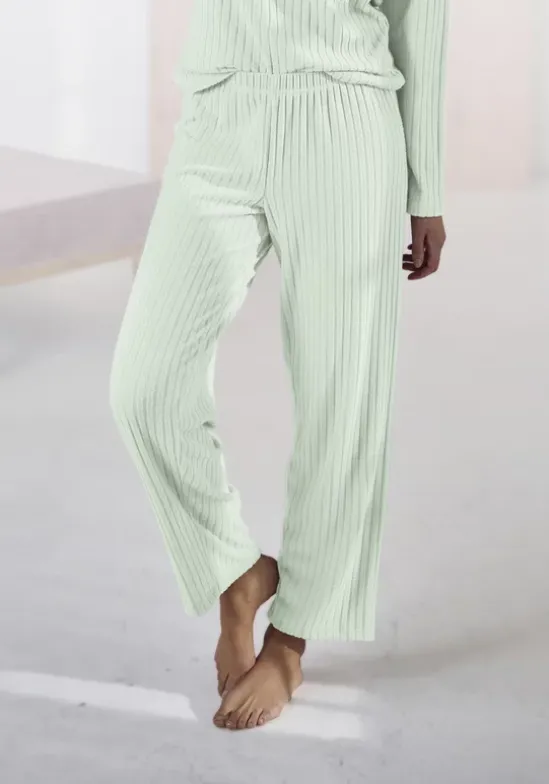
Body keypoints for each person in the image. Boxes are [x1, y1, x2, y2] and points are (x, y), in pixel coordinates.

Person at [110, 0, 448, 731]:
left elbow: (419, 20)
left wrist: (427, 189)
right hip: (219, 111)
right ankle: (235, 570)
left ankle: (292, 637)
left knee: (341, 397)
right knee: (143, 386)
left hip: (344, 115)